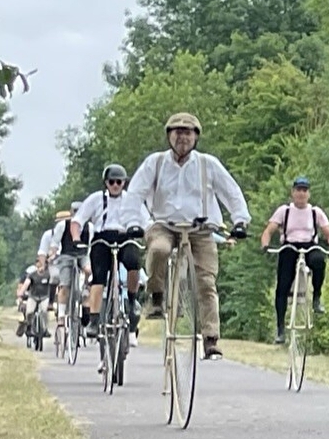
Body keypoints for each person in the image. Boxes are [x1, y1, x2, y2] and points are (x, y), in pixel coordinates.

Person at [130, 112, 252, 360]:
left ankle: (210, 338)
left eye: (188, 133)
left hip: (200, 228)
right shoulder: (156, 163)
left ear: (196, 137)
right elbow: (135, 193)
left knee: (206, 282)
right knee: (159, 250)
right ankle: (156, 295)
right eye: (177, 132)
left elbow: (231, 192)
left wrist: (240, 220)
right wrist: (134, 222)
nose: (182, 137)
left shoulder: (208, 164)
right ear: (169, 136)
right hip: (164, 224)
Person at [260, 177, 329, 344]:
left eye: (304, 190)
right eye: (298, 190)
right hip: (289, 246)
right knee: (282, 284)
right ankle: (280, 328)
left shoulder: (315, 212)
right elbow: (268, 231)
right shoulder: (284, 211)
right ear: (293, 192)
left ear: (309, 193)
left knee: (319, 260)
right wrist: (265, 245)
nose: (301, 194)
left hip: (309, 245)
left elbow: (328, 233)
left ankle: (317, 296)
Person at [74, 164, 149, 338]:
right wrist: (77, 238)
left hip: (126, 235)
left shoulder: (132, 199)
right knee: (98, 277)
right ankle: (93, 320)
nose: (115, 185)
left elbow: (146, 221)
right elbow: (78, 220)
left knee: (133, 263)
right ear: (106, 183)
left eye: (119, 182)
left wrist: (147, 233)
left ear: (124, 183)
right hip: (102, 237)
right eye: (112, 182)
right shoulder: (96, 199)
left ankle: (131, 299)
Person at [48, 203, 92, 337]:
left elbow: (91, 243)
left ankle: (85, 289)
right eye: (76, 211)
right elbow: (55, 242)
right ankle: (61, 315)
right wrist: (52, 254)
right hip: (67, 255)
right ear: (71, 212)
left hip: (83, 255)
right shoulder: (63, 225)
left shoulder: (89, 226)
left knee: (89, 270)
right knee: (65, 285)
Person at [15, 263, 52, 340]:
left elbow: (53, 285)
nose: (40, 269)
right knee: (29, 312)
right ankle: (28, 325)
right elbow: (25, 285)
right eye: (39, 267)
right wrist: (20, 294)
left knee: (44, 312)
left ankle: (45, 329)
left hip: (44, 297)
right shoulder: (32, 275)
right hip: (33, 297)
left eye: (42, 266)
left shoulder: (48, 275)